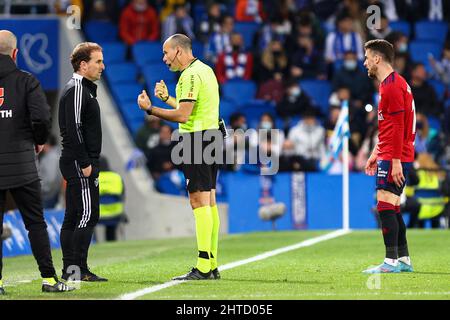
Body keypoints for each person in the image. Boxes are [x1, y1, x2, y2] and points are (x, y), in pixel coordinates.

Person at [137, 34, 221, 280]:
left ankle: (204, 266)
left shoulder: (190, 75)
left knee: (198, 201)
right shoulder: (205, 70)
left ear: (179, 51)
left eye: (166, 53)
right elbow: (190, 109)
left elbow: (183, 116)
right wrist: (166, 100)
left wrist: (151, 109)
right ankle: (211, 263)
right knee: (209, 200)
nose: (164, 58)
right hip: (211, 137)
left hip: (197, 140)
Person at [0, 30, 73, 294]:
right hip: (21, 164)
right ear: (15, 53)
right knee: (35, 223)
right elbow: (41, 118)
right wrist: (39, 140)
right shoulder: (26, 81)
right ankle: (49, 279)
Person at [363, 39, 416, 273]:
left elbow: (396, 128)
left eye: (367, 57)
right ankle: (403, 259)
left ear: (377, 58)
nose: (365, 62)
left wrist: (393, 160)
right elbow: (389, 126)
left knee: (384, 205)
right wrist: (376, 151)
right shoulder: (396, 83)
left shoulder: (391, 86)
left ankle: (390, 262)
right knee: (393, 207)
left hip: (396, 156)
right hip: (396, 153)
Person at [58, 42, 107, 282]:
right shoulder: (77, 88)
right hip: (80, 162)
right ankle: (78, 270)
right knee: (87, 214)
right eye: (98, 61)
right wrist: (86, 162)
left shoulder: (84, 88)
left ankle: (71, 269)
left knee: (75, 214)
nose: (102, 66)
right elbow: (73, 129)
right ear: (83, 64)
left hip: (76, 160)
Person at [97, 156, 126, 242]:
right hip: (115, 214)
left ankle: (92, 242)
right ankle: (111, 241)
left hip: (97, 214)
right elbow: (123, 195)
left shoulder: (92, 177)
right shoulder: (116, 177)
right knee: (111, 228)